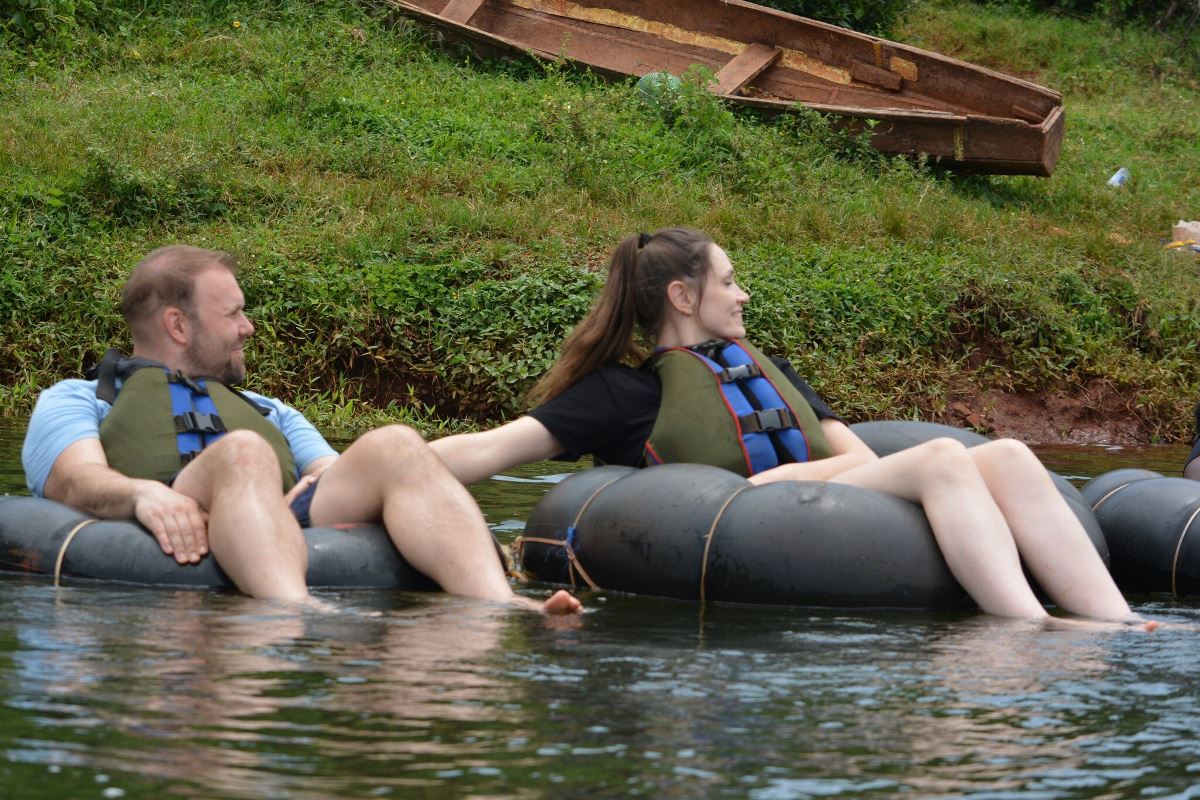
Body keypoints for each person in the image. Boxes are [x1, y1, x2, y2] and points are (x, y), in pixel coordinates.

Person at [431, 227, 1149, 625]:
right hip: (729, 527)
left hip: (805, 499)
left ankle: (1116, 626)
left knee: (1012, 455)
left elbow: (858, 456)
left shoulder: (761, 370)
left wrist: (789, 475)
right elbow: (494, 449)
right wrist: (387, 465)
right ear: (683, 295)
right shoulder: (623, 392)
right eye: (728, 281)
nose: (742, 295)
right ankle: (1030, 628)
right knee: (939, 460)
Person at [21, 245, 581, 615]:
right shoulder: (78, 398)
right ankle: (294, 611)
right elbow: (75, 481)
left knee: (395, 443)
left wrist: (306, 491)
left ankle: (500, 603)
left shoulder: (269, 411)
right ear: (177, 324)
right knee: (242, 452)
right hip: (166, 514)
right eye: (233, 313)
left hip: (277, 517)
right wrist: (142, 492)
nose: (249, 326)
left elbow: (334, 475)